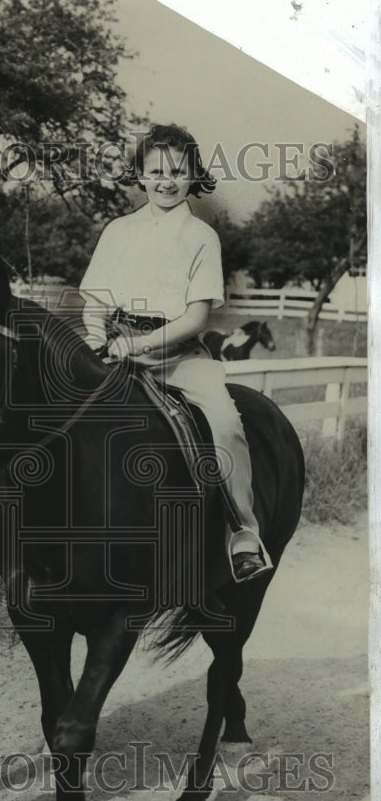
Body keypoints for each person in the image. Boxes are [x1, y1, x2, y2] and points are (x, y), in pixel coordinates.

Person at [79, 123, 271, 582]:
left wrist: (136, 344)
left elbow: (195, 318)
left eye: (178, 171)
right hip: (113, 346)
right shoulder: (117, 231)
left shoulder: (201, 237)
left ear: (192, 175)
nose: (167, 180)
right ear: (140, 175)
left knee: (225, 422)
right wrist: (93, 340)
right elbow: (94, 303)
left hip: (179, 355)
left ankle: (242, 533)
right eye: (156, 170)